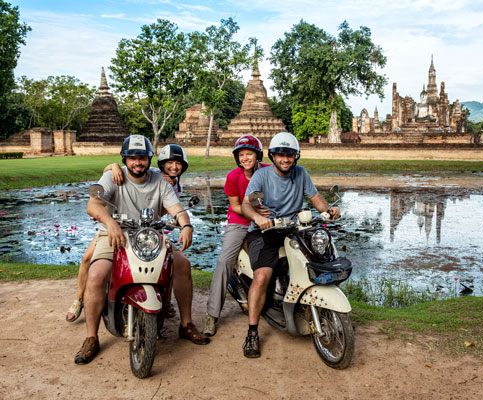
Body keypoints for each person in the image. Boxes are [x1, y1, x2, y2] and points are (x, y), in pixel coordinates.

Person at [74, 135, 208, 365]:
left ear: (149, 159)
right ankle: (91, 337)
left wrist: (186, 225)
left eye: (143, 158)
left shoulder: (160, 181)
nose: (138, 162)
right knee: (96, 275)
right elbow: (93, 205)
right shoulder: (112, 177)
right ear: (125, 159)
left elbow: (175, 208)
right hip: (115, 232)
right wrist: (111, 223)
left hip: (150, 234)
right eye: (133, 157)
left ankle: (186, 324)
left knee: (182, 264)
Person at [239, 131, 340, 358]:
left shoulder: (300, 173)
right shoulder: (261, 176)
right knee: (263, 276)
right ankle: (252, 332)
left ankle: (329, 313)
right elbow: (247, 204)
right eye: (281, 155)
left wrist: (327, 211)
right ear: (273, 156)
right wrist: (258, 218)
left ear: (296, 157)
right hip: (265, 231)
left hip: (294, 229)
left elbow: (315, 198)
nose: (286, 159)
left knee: (322, 258)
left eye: (290, 155)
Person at [65, 144, 188, 322]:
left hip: (146, 230)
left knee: (169, 262)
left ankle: (167, 300)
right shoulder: (148, 171)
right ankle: (78, 299)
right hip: (119, 225)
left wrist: (184, 224)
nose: (174, 167)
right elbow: (117, 172)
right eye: (170, 163)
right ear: (161, 164)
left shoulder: (171, 185)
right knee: (88, 259)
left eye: (178, 164)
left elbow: (169, 210)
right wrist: (114, 166)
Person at [202, 135, 269, 337]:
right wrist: (255, 216)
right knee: (224, 262)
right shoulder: (234, 177)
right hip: (239, 221)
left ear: (257, 155)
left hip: (265, 222)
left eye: (249, 153)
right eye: (241, 155)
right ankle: (211, 315)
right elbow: (235, 206)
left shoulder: (267, 171)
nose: (245, 158)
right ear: (237, 158)